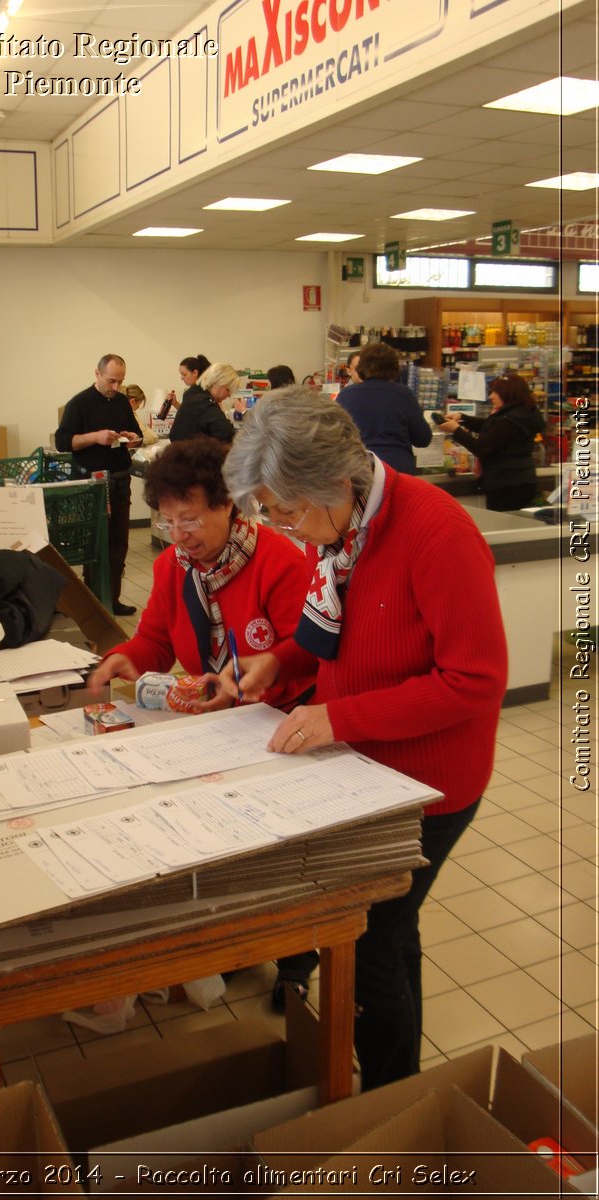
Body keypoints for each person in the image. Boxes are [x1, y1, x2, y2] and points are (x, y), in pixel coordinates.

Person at [213, 388, 508, 1090]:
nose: (282, 527)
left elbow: (475, 680)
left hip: (430, 783)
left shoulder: (436, 532)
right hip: (368, 770)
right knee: (391, 933)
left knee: (369, 942)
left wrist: (339, 719)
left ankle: (387, 1101)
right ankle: (398, 1086)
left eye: (287, 511)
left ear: (337, 483)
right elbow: (329, 631)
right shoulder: (342, 526)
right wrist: (279, 662)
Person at [88, 435, 318, 1008]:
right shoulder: (174, 568)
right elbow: (157, 639)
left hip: (284, 724)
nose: (178, 534)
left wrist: (264, 673)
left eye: (190, 519)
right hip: (219, 727)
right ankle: (242, 946)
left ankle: (297, 960)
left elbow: (311, 650)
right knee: (233, 851)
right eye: (167, 522)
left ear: (230, 504)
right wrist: (128, 658)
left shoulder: (280, 560)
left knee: (285, 853)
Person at [55, 354, 142, 616]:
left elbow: (135, 433)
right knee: (94, 544)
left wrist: (131, 437)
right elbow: (63, 442)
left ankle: (112, 599)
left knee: (118, 543)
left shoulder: (122, 402)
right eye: (111, 381)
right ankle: (93, 601)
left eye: (120, 382)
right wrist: (95, 437)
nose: (116, 387)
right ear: (97, 374)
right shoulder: (79, 403)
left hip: (119, 479)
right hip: (90, 483)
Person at [439, 373, 546, 511]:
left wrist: (456, 430)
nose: (491, 396)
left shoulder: (509, 421)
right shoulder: (519, 413)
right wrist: (462, 418)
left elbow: (481, 448)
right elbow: (492, 427)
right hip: (519, 481)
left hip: (507, 486)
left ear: (508, 394)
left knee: (504, 526)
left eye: (496, 392)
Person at [337, 341, 431, 474]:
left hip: (362, 470)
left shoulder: (346, 395)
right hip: (399, 471)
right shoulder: (404, 394)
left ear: (361, 367)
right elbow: (423, 439)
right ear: (394, 367)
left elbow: (337, 438)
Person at [169, 362, 237, 444]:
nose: (229, 395)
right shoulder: (205, 403)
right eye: (228, 389)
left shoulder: (192, 393)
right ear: (218, 383)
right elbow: (227, 434)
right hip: (194, 454)